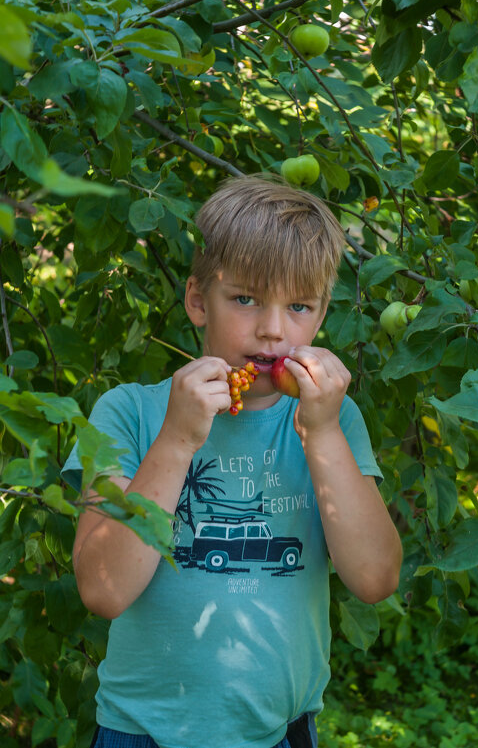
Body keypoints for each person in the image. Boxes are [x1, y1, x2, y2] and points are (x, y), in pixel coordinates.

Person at [62, 174, 402, 748]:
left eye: (299, 306)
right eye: (245, 298)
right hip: (141, 733)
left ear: (321, 318)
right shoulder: (129, 414)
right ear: (198, 300)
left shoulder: (332, 422)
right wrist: (175, 440)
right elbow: (103, 591)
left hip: (284, 733)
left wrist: (320, 433)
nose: (272, 329)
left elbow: (374, 579)